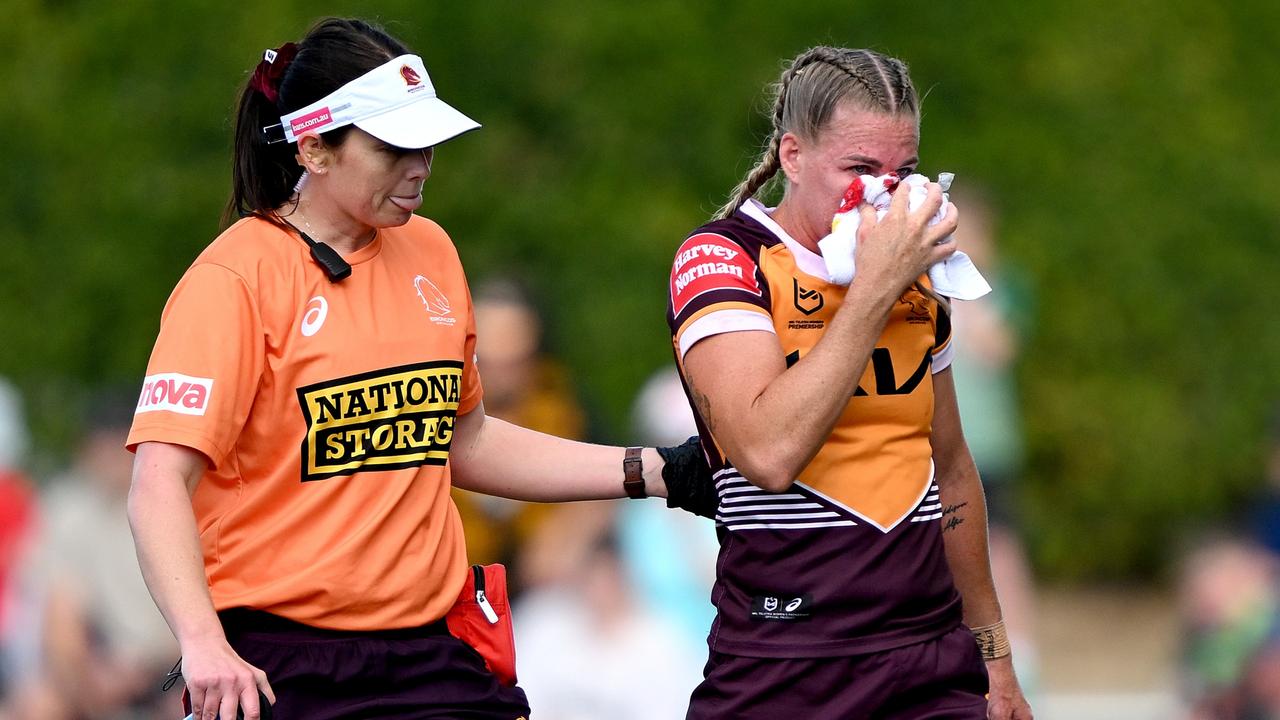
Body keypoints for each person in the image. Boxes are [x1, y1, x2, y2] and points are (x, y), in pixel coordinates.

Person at [125, 17, 704, 720]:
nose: (420, 163)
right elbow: (158, 484)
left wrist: (655, 471)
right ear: (314, 149)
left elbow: (465, 440)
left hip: (430, 652)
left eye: (427, 141)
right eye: (393, 146)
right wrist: (202, 643)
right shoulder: (234, 279)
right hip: (280, 659)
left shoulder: (430, 250)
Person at [666, 47, 1033, 718]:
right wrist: (875, 288)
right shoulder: (725, 257)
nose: (883, 194)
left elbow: (950, 468)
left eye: (905, 171)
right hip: (787, 663)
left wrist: (995, 654)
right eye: (860, 169)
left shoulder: (918, 270)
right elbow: (768, 454)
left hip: (927, 660)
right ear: (793, 156)